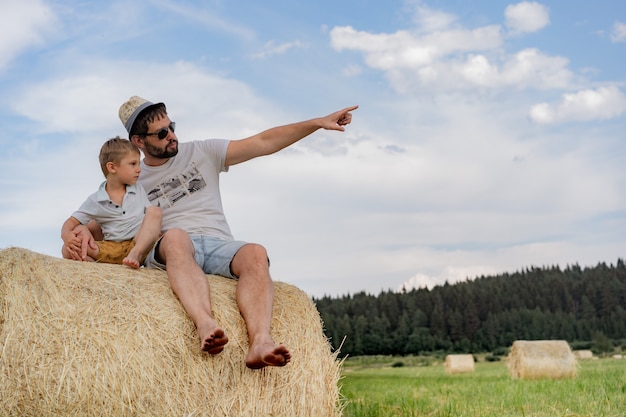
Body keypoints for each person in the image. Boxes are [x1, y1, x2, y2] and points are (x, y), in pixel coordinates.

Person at [65, 96, 357, 369]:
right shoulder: (133, 177)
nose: (171, 136)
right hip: (173, 248)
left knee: (256, 252)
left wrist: (317, 123)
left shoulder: (203, 151)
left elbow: (264, 141)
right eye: (161, 133)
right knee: (177, 235)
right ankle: (206, 324)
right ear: (138, 141)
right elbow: (100, 221)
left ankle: (259, 343)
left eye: (172, 128)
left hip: (218, 243)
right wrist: (79, 236)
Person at [61, 137, 162, 269]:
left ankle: (135, 255)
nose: (138, 169)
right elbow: (72, 222)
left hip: (138, 244)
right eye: (133, 164)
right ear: (112, 167)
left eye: (138, 164)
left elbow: (150, 220)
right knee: (67, 249)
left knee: (155, 211)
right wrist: (66, 235)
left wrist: (156, 232)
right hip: (112, 248)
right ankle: (98, 271)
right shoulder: (95, 200)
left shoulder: (138, 189)